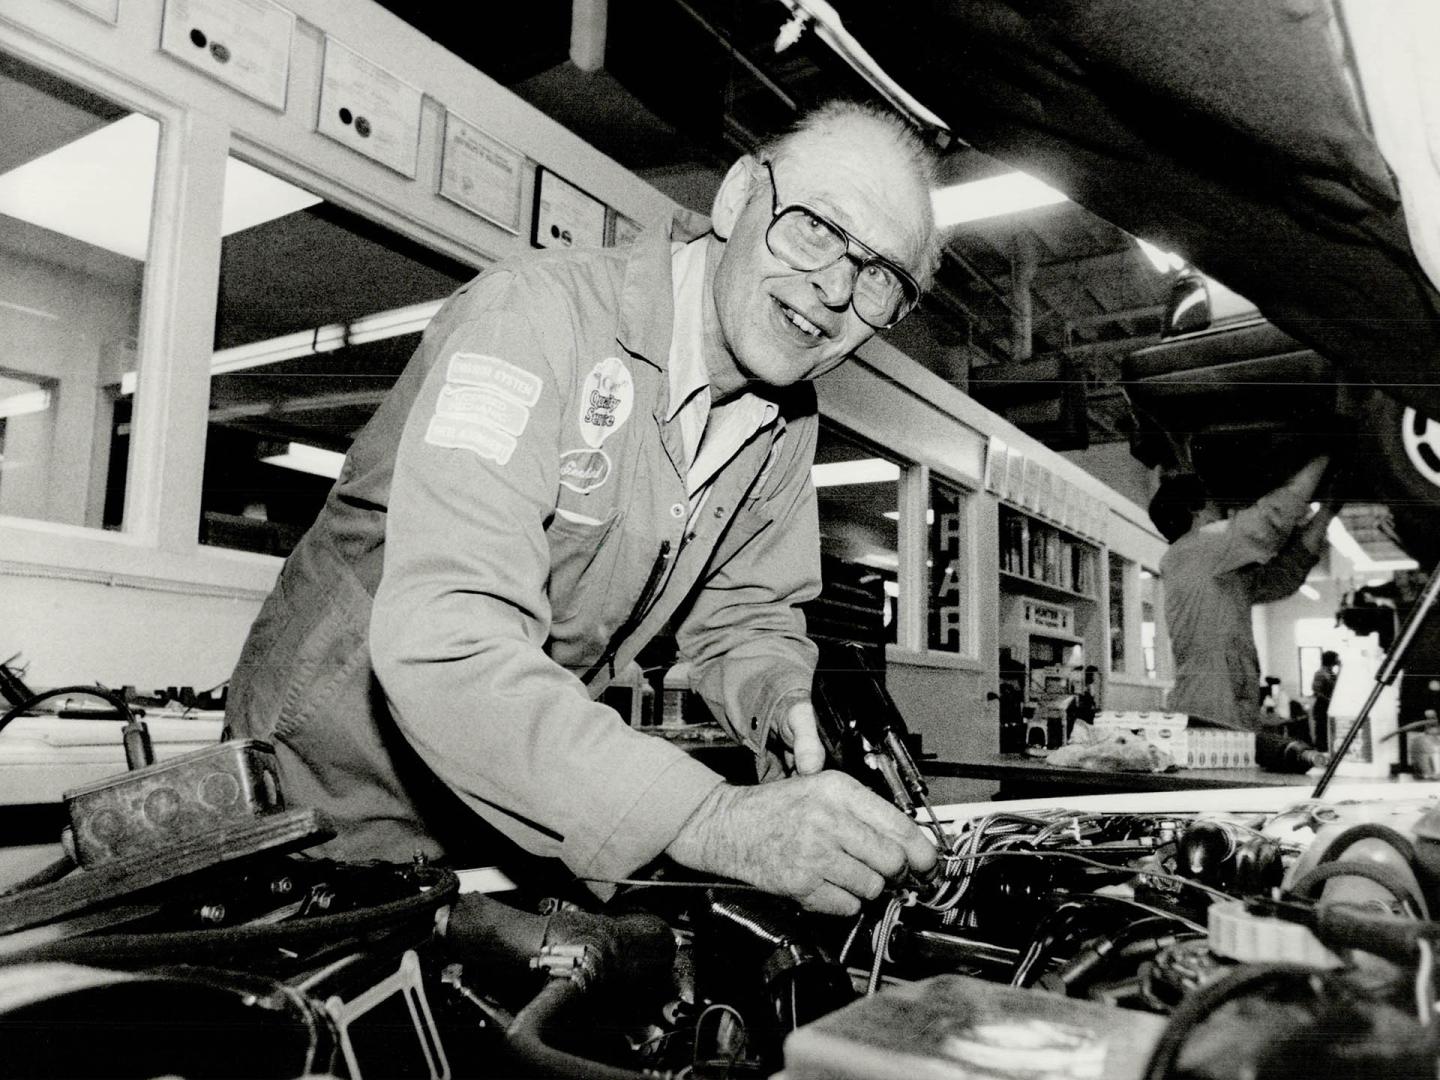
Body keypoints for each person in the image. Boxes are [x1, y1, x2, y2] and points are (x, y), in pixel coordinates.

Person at [225, 102, 942, 915]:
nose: (837, 289)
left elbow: (746, 616)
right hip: (321, 800)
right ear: (739, 198)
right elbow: (449, 641)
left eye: (881, 276)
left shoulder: (785, 423)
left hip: (511, 793)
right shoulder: (529, 321)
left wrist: (784, 707)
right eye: (816, 228)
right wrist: (708, 817)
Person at [1152, 455, 1340, 742]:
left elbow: (1282, 577)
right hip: (1209, 711)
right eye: (1218, 505)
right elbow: (1270, 518)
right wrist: (1325, 454)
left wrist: (1328, 509)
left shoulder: (1214, 570)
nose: (1227, 512)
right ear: (1197, 511)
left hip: (1219, 707)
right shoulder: (1197, 547)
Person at [1310, 649, 1340, 751]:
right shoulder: (1321, 673)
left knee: (1330, 733)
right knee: (1322, 734)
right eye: (1336, 659)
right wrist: (1329, 700)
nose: (1338, 660)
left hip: (1330, 706)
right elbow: (1316, 692)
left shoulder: (1331, 673)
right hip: (1322, 707)